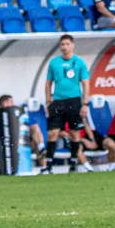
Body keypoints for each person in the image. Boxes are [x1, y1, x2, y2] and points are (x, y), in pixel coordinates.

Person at [43, 33, 92, 172]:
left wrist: (85, 104)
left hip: (74, 101)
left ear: (72, 45)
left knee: (75, 133)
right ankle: (48, 166)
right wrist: (48, 100)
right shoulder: (54, 62)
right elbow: (48, 83)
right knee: (52, 133)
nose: (64, 47)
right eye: (62, 44)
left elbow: (85, 83)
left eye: (67, 44)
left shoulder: (80, 62)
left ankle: (73, 163)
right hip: (57, 102)